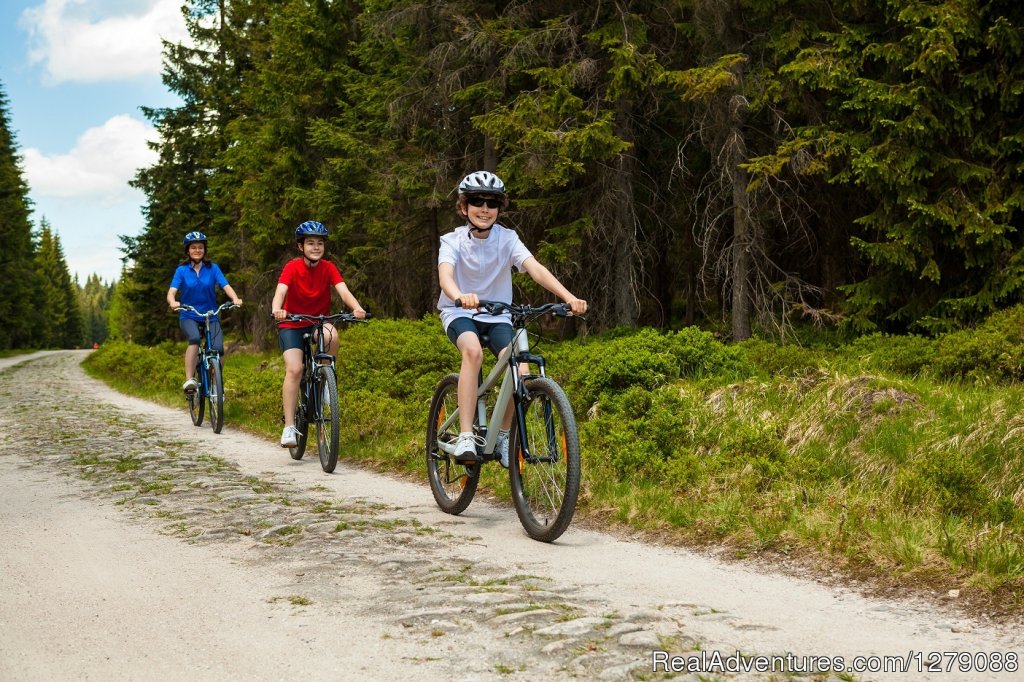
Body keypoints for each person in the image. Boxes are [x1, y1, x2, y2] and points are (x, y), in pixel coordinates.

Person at [437, 171, 587, 466]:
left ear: (499, 209)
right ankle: (466, 434)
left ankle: (504, 434)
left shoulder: (508, 239)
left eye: (491, 203)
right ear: (463, 207)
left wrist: (568, 297)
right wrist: (459, 295)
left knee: (521, 368)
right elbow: (445, 276)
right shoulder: (452, 240)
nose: (484, 208)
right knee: (472, 351)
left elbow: (535, 268)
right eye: (477, 201)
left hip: (498, 316)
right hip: (460, 312)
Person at [272, 221, 366, 448]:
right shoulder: (292, 267)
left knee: (331, 335)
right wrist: (278, 309)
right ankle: (289, 428)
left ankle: (324, 381)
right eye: (311, 243)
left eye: (320, 243)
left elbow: (343, 290)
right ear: (300, 246)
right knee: (295, 369)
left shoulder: (328, 267)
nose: (316, 247)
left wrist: (357, 308)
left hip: (317, 322)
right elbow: (281, 291)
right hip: (292, 324)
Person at [167, 231, 243, 393]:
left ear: (204, 250)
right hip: (189, 315)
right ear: (188, 251)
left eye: (200, 247)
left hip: (210, 316)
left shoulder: (213, 268)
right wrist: (173, 302)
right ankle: (189, 380)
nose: (197, 250)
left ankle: (216, 380)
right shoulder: (181, 270)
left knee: (219, 349)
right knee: (194, 338)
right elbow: (171, 292)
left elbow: (225, 285)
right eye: (193, 247)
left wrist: (235, 298)